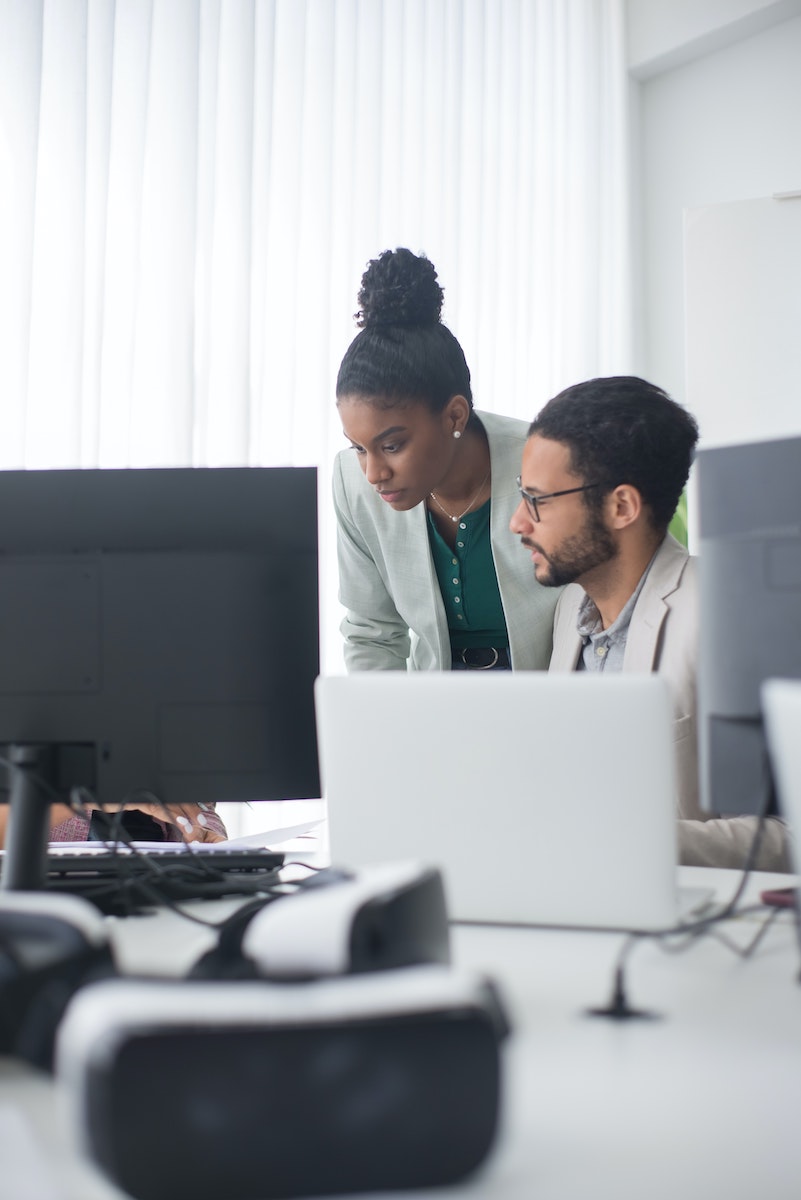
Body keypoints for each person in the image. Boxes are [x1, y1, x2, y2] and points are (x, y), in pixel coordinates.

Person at [509, 374, 790, 872]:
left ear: (621, 506)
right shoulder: (572, 606)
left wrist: (632, 841)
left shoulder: (727, 618)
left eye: (539, 501)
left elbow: (784, 835)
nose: (518, 521)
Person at [334, 247, 558, 671]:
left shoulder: (548, 463)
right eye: (358, 447)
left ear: (455, 414)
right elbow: (372, 634)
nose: (374, 473)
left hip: (550, 701)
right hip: (433, 707)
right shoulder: (351, 484)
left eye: (392, 445)